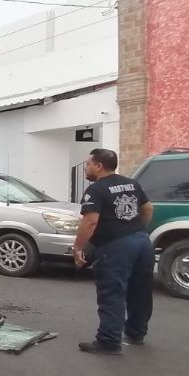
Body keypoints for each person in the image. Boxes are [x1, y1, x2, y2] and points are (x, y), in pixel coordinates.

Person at [72, 149, 155, 355]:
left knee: (112, 292)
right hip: (142, 241)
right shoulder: (131, 183)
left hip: (116, 246)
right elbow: (148, 209)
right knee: (140, 291)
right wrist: (136, 230)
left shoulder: (96, 190)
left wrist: (78, 247)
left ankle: (108, 341)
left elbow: (90, 221)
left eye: (88, 164)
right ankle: (136, 333)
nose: (86, 168)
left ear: (99, 166)